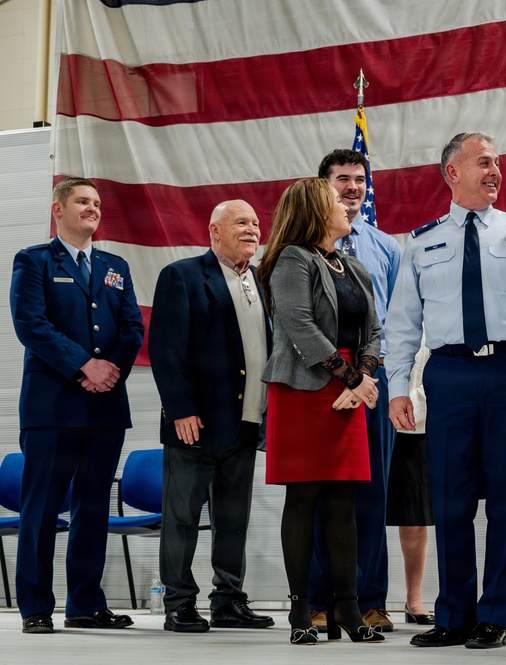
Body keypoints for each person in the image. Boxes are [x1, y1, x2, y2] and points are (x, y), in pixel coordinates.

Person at [385, 132, 506, 649]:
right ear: (452, 172)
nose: (496, 171)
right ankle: (453, 615)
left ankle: (494, 614)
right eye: (484, 162)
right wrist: (398, 388)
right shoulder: (421, 242)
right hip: (448, 375)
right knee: (449, 500)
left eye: (497, 163)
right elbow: (402, 324)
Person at [10, 177, 144, 634]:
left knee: (92, 508)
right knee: (42, 509)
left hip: (105, 407)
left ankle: (85, 604)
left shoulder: (114, 266)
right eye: (83, 201)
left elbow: (132, 327)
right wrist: (85, 366)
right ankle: (35, 607)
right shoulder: (34, 260)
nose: (93, 209)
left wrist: (110, 371)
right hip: (53, 407)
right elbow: (31, 325)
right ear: (58, 210)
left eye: (97, 203)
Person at [257, 178, 385, 646]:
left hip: (349, 386)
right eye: (335, 199)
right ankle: (300, 612)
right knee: (304, 499)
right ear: (315, 209)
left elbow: (374, 330)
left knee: (343, 503)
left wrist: (362, 375)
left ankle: (348, 609)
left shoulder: (354, 266)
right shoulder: (292, 258)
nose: (346, 204)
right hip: (304, 390)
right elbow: (298, 325)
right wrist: (353, 379)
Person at [147, 200, 274, 633]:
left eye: (255, 223)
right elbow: (165, 348)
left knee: (233, 519)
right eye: (241, 222)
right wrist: (181, 409)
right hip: (195, 423)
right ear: (214, 230)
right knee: (182, 518)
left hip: (247, 420)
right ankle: (179, 603)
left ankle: (229, 600)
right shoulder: (181, 275)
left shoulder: (262, 280)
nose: (252, 229)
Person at [309, 149, 402, 633]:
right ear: (322, 185)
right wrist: (341, 375)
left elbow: (399, 320)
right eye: (342, 178)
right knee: (321, 493)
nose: (352, 187)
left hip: (374, 383)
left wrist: (379, 379)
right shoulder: (302, 249)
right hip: (320, 383)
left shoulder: (386, 247)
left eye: (360, 179)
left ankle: (371, 601)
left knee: (372, 494)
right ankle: (319, 600)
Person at [386, 341, 435, 625]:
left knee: (417, 515)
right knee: (364, 512)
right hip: (383, 413)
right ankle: (363, 599)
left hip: (426, 421)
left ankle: (414, 599)